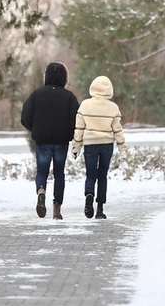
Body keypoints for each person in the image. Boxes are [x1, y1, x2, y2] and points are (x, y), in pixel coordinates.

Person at [20, 62, 79, 220]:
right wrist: (69, 133)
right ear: (64, 77)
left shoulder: (36, 94)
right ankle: (57, 210)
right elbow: (76, 120)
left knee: (42, 171)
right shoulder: (69, 97)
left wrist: (35, 129)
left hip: (42, 140)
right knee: (59, 174)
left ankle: (41, 191)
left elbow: (25, 117)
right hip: (61, 142)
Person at [71, 75, 128, 219]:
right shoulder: (113, 107)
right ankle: (100, 209)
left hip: (90, 145)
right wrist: (122, 148)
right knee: (102, 176)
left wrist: (76, 146)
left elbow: (79, 128)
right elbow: (117, 130)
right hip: (107, 145)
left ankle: (89, 195)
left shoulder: (85, 105)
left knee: (90, 175)